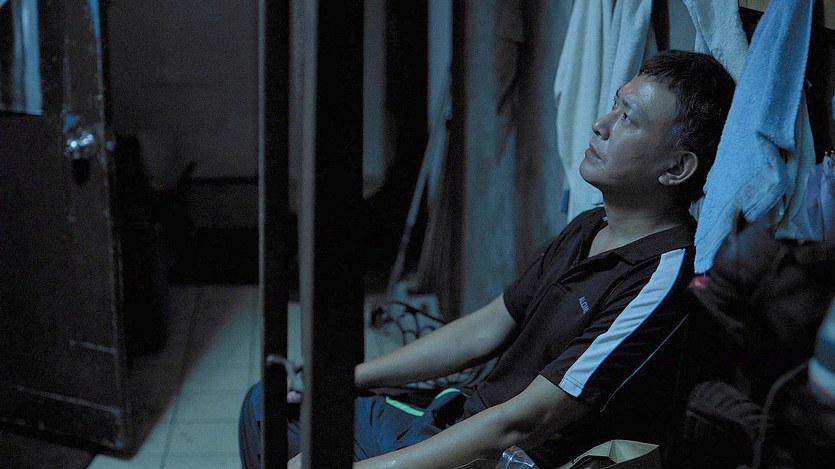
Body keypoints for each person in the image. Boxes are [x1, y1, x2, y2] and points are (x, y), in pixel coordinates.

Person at [239, 49, 736, 469]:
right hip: (459, 420)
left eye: (628, 118)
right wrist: (345, 377)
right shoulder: (590, 227)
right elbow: (482, 330)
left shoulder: (662, 275)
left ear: (676, 168)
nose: (600, 125)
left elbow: (521, 423)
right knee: (273, 404)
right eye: (613, 106)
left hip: (499, 456)